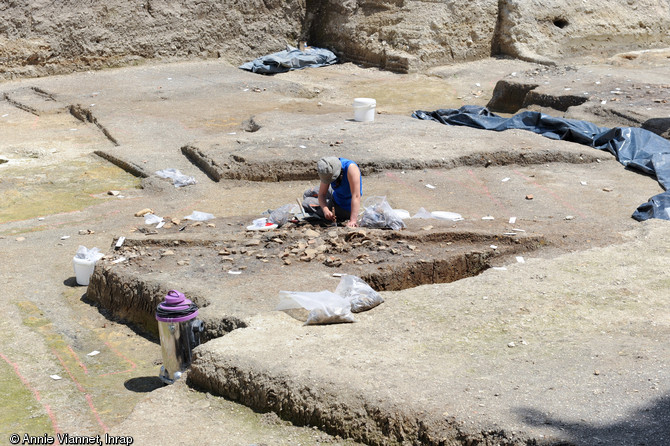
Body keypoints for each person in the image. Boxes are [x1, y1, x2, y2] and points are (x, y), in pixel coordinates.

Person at [302, 156, 362, 227]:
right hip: (336, 193)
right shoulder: (328, 168)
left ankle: (333, 210)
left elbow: (356, 196)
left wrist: (353, 220)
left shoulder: (351, 169)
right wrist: (325, 210)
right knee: (307, 193)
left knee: (306, 202)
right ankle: (325, 206)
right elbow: (322, 194)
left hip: (344, 207)